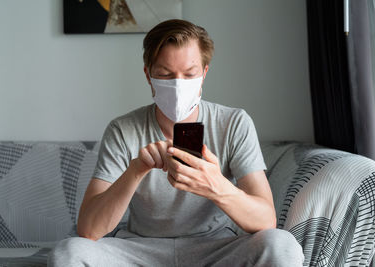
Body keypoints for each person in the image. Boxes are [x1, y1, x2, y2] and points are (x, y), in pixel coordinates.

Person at [48, 19, 304, 266]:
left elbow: (266, 219)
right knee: (68, 252)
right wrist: (136, 169)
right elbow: (89, 229)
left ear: (204, 73)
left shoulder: (234, 123)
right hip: (140, 250)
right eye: (165, 75)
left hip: (215, 249)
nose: (178, 85)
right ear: (149, 76)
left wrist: (215, 186)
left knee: (282, 245)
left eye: (189, 74)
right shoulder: (123, 129)